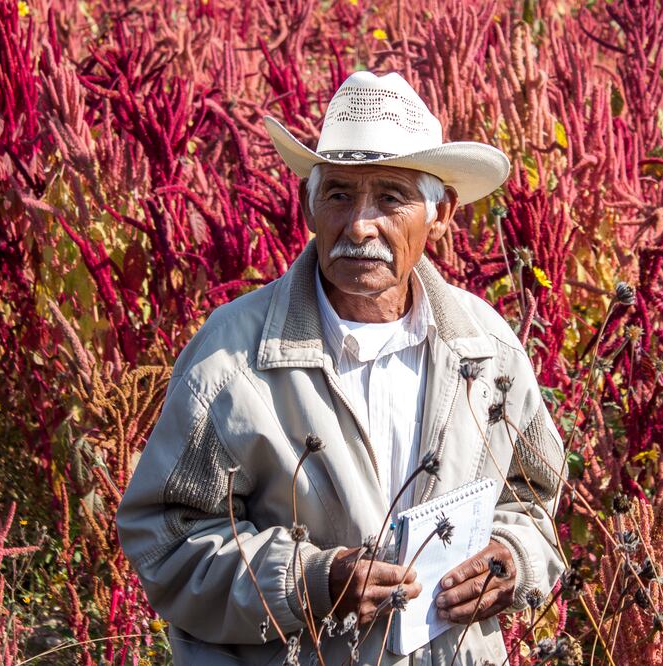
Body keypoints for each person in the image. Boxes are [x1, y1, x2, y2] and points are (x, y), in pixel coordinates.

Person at [116, 70, 566, 665]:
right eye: (338, 195)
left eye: (390, 197)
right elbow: (166, 541)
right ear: (308, 206)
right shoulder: (230, 362)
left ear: (441, 213)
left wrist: (511, 559)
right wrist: (313, 581)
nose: (360, 224)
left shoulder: (487, 351)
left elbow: (533, 499)